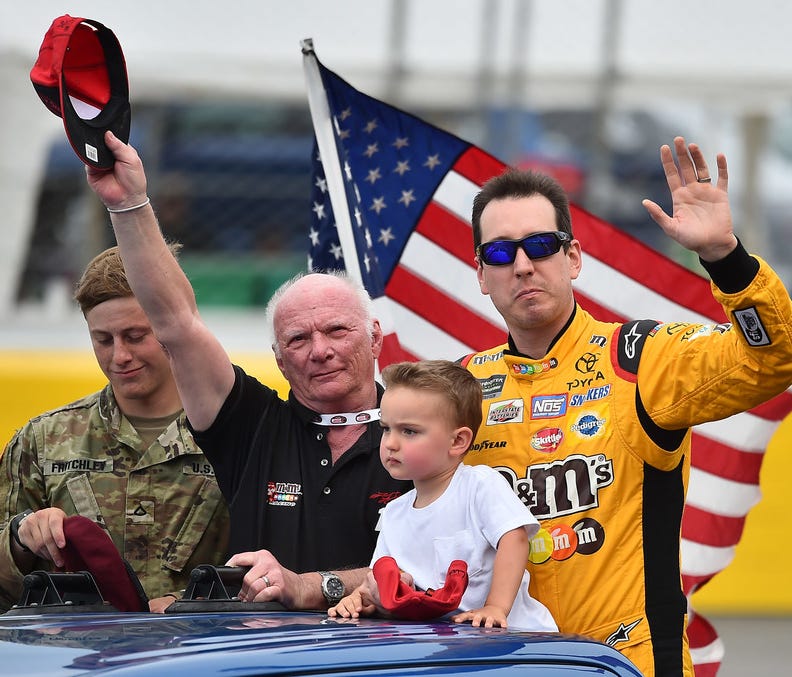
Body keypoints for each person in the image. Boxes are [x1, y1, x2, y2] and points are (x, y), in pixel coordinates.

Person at [461, 136, 792, 676]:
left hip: (626, 662)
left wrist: (724, 257)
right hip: (506, 664)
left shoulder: (640, 359)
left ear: (573, 258)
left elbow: (774, 358)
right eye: (500, 253)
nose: (521, 265)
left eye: (540, 245)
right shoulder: (462, 389)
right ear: (481, 275)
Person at [85, 131, 411, 610]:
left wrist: (309, 586)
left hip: (388, 649)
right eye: (298, 339)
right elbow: (177, 325)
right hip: (257, 648)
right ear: (279, 359)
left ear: (375, 338)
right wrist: (128, 204)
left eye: (337, 331)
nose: (319, 351)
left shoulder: (421, 428)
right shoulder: (252, 426)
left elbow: (438, 566)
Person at [0, 246, 230, 613]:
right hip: (75, 647)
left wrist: (192, 605)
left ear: (173, 325)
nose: (119, 356)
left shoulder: (235, 435)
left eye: (136, 336)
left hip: (204, 644)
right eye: (103, 340)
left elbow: (277, 566)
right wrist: (20, 539)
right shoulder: (43, 441)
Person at [328, 360, 557, 631]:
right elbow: (383, 578)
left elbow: (515, 539)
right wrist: (362, 599)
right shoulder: (393, 513)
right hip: (446, 642)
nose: (390, 443)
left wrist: (496, 606)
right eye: (386, 428)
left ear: (458, 441)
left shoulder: (479, 485)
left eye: (409, 431)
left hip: (519, 640)